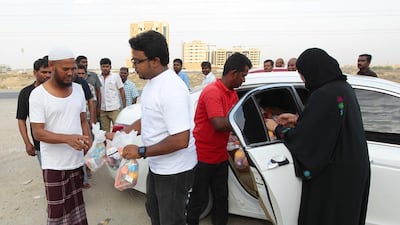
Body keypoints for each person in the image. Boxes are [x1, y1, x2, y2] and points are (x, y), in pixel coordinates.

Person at [265, 48, 370, 225]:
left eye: (303, 74)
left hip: (335, 175)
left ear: (313, 70)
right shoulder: (342, 89)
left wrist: (276, 129)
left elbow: (306, 141)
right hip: (352, 168)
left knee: (326, 216)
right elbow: (329, 124)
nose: (302, 79)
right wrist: (299, 120)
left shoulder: (324, 94)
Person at [120, 30, 197, 225]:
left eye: (137, 61)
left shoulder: (171, 89)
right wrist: (124, 132)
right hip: (159, 166)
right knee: (154, 211)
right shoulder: (153, 84)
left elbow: (181, 140)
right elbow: (150, 118)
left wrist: (141, 151)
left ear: (154, 61)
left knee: (170, 219)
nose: (133, 66)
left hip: (174, 170)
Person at [186, 52, 253, 225]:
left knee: (222, 197)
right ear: (233, 73)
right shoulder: (212, 92)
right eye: (243, 76)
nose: (244, 80)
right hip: (204, 156)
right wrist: (240, 125)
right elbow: (219, 124)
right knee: (198, 198)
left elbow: (236, 120)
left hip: (220, 154)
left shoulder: (232, 94)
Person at [29, 46, 92, 225]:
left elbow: (82, 121)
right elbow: (38, 132)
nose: (71, 73)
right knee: (57, 212)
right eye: (65, 69)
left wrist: (88, 144)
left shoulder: (79, 90)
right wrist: (68, 139)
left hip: (76, 161)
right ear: (51, 65)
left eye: (73, 68)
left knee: (77, 207)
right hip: (54, 165)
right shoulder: (38, 95)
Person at [16, 56, 51, 166]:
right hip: (40, 143)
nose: (47, 75)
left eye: (50, 72)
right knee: (49, 177)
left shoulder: (59, 91)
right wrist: (27, 142)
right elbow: (21, 119)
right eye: (44, 72)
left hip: (62, 142)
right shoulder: (26, 93)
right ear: (35, 72)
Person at [74, 63, 96, 188]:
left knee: (86, 147)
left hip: (84, 120)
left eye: (74, 69)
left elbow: (91, 101)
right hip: (71, 124)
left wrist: (91, 119)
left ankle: (85, 175)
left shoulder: (82, 84)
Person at [98, 58, 126, 132]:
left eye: (107, 66)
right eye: (103, 66)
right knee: (105, 133)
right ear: (100, 67)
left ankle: (119, 144)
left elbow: (122, 91)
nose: (105, 68)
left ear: (110, 67)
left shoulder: (115, 76)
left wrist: (124, 107)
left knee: (118, 131)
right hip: (103, 109)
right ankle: (107, 144)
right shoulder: (98, 78)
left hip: (114, 108)